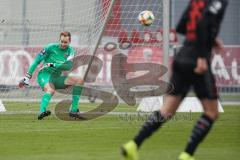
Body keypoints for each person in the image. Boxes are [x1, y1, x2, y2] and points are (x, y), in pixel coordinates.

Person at [121, 0, 228, 160]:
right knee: (212, 112)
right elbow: (203, 23)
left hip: (181, 57)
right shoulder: (219, 2)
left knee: (167, 110)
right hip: (197, 60)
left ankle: (133, 145)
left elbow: (182, 26)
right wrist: (201, 55)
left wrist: (211, 40)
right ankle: (187, 155)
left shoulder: (196, 2)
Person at [19, 31, 83, 120]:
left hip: (56, 78)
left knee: (79, 80)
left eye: (65, 42)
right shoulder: (50, 47)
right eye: (62, 41)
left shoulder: (70, 51)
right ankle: (42, 112)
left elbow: (68, 66)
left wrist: (52, 64)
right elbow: (36, 61)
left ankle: (74, 110)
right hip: (44, 75)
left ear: (69, 42)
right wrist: (27, 77)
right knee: (50, 90)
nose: (63, 44)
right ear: (59, 40)